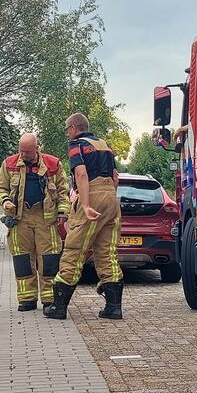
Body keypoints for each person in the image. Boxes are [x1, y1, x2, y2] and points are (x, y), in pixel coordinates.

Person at [44, 113, 123, 320]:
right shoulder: (104, 145)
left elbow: (81, 174)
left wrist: (86, 205)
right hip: (111, 198)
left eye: (66, 129)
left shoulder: (76, 145)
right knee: (106, 253)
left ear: (73, 128)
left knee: (74, 249)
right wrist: (110, 198)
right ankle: (114, 307)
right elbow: (115, 177)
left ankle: (58, 307)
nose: (67, 133)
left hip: (92, 194)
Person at [0, 133, 69, 312]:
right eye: (21, 151)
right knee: (22, 260)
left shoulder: (53, 164)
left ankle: (49, 299)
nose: (24, 155)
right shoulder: (9, 164)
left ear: (37, 147)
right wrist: (5, 201)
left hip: (46, 218)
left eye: (27, 151)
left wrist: (63, 212)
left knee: (49, 259)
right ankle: (27, 299)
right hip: (20, 218)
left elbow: (63, 191)